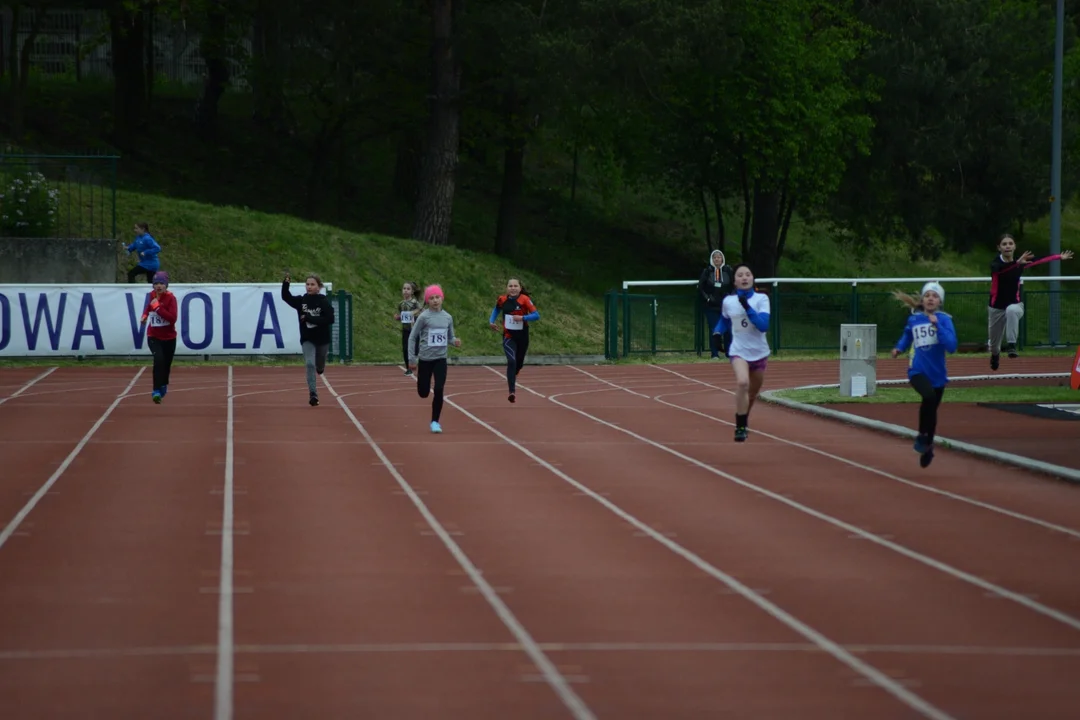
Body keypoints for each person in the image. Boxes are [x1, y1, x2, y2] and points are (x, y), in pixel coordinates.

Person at [890, 281, 958, 468]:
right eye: (927, 295)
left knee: (932, 408)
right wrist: (899, 348)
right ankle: (922, 435)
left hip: (938, 374)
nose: (930, 298)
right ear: (922, 299)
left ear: (940, 302)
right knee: (927, 397)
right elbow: (907, 336)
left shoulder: (945, 319)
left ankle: (928, 445)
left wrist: (938, 326)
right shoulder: (914, 319)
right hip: (917, 370)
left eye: (935, 296)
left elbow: (951, 346)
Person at [987, 233, 1073, 369]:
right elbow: (1000, 271)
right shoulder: (996, 263)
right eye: (1004, 244)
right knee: (993, 345)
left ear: (1014, 246)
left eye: (1010, 243)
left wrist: (1059, 257)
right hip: (996, 307)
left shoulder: (1021, 262)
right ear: (999, 248)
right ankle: (995, 355)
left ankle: (1011, 346)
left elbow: (1040, 259)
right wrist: (1016, 264)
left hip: (1015, 304)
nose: (1007, 246)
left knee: (1012, 310)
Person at [711, 263, 770, 442]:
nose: (744, 278)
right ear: (734, 281)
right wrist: (717, 333)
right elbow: (723, 320)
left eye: (748, 274)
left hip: (759, 353)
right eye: (740, 275)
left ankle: (743, 416)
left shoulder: (761, 300)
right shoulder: (728, 301)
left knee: (752, 393)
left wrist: (748, 307)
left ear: (752, 279)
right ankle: (740, 426)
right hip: (738, 351)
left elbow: (763, 326)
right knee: (742, 383)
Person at [408, 284, 461, 433]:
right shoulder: (424, 317)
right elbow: (412, 337)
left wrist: (454, 341)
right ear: (427, 300)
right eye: (431, 298)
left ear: (442, 298)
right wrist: (412, 359)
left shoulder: (447, 317)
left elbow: (450, 337)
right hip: (425, 359)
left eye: (437, 297)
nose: (435, 300)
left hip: (440, 359)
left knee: (439, 389)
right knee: (423, 393)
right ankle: (421, 383)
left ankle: (435, 422)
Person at [280, 272, 335, 406]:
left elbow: (329, 319)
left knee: (319, 365)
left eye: (312, 284)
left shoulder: (323, 302)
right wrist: (286, 282)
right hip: (307, 338)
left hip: (322, 339)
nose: (309, 287)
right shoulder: (301, 301)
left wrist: (309, 318)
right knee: (310, 363)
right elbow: (286, 297)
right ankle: (313, 394)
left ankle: (320, 368)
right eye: (307, 284)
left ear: (319, 287)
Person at [488, 277, 540, 403]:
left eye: (515, 286)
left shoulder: (525, 300)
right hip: (508, 336)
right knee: (511, 361)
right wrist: (491, 321)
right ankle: (512, 391)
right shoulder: (502, 299)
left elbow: (536, 315)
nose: (513, 288)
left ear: (520, 288)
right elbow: (496, 309)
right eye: (510, 286)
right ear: (507, 288)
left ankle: (516, 371)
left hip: (522, 336)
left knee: (519, 363)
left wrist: (522, 318)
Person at [139, 271, 178, 404]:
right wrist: (144, 316)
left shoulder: (171, 298)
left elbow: (172, 319)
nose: (159, 286)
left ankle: (163, 384)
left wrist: (158, 308)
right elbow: (148, 308)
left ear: (166, 285)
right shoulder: (151, 296)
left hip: (169, 337)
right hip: (154, 336)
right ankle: (156, 390)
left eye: (161, 283)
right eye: (156, 283)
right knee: (158, 360)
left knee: (166, 364)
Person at [698, 249, 734, 359]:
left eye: (719, 257)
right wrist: (708, 299)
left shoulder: (728, 270)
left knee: (728, 329)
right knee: (714, 329)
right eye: (715, 257)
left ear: (722, 259)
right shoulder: (708, 271)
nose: (717, 259)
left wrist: (730, 298)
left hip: (726, 306)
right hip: (712, 306)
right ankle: (714, 353)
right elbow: (701, 287)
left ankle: (729, 353)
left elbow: (734, 286)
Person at [395, 281, 423, 376]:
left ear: (412, 292)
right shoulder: (401, 304)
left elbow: (421, 311)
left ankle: (415, 360)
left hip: (414, 329)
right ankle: (408, 368)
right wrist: (398, 317)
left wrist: (414, 313)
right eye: (404, 288)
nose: (406, 291)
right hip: (405, 329)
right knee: (405, 349)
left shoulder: (415, 302)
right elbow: (402, 316)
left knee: (414, 349)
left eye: (408, 289)